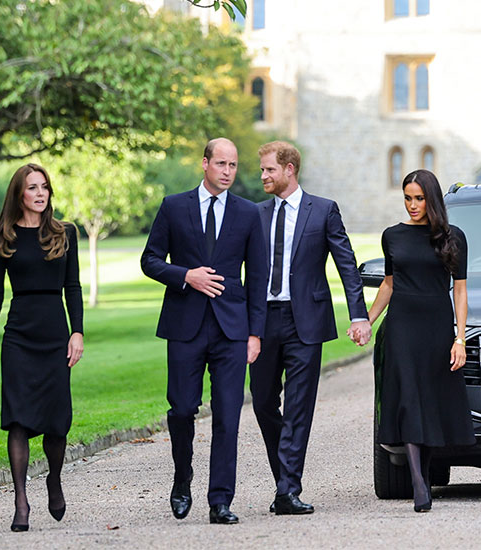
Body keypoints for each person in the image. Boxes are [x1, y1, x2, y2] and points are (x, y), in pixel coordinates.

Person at [141, 138, 267, 525]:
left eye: (233, 164)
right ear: (204, 164)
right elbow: (149, 260)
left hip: (232, 330)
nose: (228, 171)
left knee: (228, 415)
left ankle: (221, 500)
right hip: (185, 327)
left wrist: (255, 333)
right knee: (181, 410)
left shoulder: (248, 213)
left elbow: (258, 277)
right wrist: (185, 276)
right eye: (221, 164)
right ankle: (182, 479)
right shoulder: (174, 207)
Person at [250, 141, 372, 515]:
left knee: (299, 407)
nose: (263, 176)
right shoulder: (253, 214)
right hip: (263, 321)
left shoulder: (322, 210)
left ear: (289, 169)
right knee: (263, 403)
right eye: (262, 170)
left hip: (307, 322)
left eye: (269, 169)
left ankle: (287, 489)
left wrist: (358, 314)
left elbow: (346, 264)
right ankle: (284, 479)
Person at [0, 163, 83, 531]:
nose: (40, 194)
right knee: (18, 419)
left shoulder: (65, 233)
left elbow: (73, 286)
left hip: (55, 335)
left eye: (44, 187)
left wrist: (77, 332)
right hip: (20, 337)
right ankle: (20, 500)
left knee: (57, 424)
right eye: (32, 188)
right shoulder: (2, 238)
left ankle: (54, 477)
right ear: (18, 194)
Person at [367, 169, 475, 513]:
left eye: (419, 198)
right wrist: (365, 321)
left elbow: (460, 290)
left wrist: (460, 338)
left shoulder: (453, 236)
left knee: (429, 399)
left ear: (432, 199)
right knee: (410, 398)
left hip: (437, 327)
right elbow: (388, 284)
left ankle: (423, 473)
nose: (412, 205)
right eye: (407, 198)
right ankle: (418, 484)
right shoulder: (392, 236)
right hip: (401, 327)